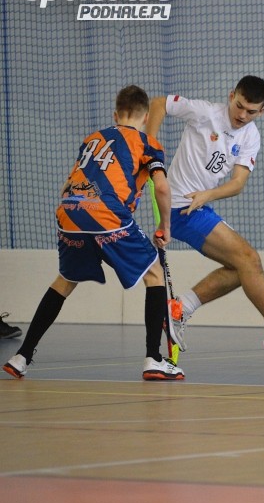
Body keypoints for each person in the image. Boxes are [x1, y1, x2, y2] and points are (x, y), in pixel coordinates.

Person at [3, 85, 183, 381]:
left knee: (65, 281)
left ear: (115, 114)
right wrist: (166, 226)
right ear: (145, 116)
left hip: (69, 212)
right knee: (154, 274)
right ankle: (154, 358)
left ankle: (21, 356)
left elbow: (66, 185)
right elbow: (162, 187)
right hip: (107, 215)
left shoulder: (92, 139)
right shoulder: (147, 143)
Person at [146, 76, 264, 361]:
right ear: (231, 96)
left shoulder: (251, 136)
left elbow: (238, 183)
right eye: (239, 106)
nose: (242, 115)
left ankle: (179, 309)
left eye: (251, 111)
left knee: (243, 269)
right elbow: (158, 104)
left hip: (200, 206)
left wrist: (208, 195)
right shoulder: (205, 113)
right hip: (180, 207)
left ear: (262, 111)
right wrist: (148, 149)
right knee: (249, 259)